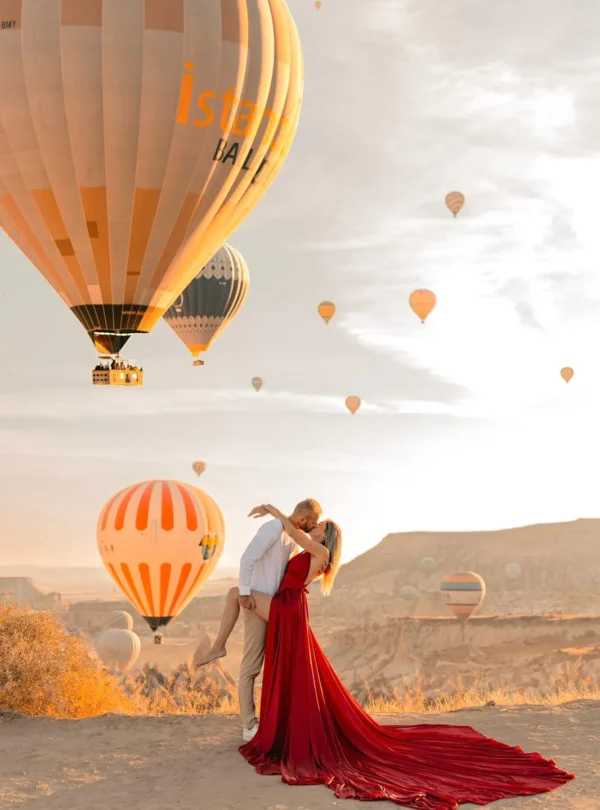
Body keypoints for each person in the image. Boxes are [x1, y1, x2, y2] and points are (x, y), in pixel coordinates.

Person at [230, 504, 575, 809]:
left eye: (319, 525)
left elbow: (293, 532)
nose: (314, 528)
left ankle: (268, 714)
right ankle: (278, 720)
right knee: (293, 667)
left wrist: (276, 512)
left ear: (326, 532)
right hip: (290, 606)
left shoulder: (319, 549)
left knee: (241, 603)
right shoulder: (320, 552)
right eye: (315, 524)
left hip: (289, 608)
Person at [194, 497, 326, 742]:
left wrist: (271, 509)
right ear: (306, 520)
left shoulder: (294, 538)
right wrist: (245, 592)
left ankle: (279, 720)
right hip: (256, 604)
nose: (316, 525)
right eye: (315, 522)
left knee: (277, 668)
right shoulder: (274, 528)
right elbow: (247, 559)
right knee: (251, 667)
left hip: (276, 605)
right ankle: (249, 725)